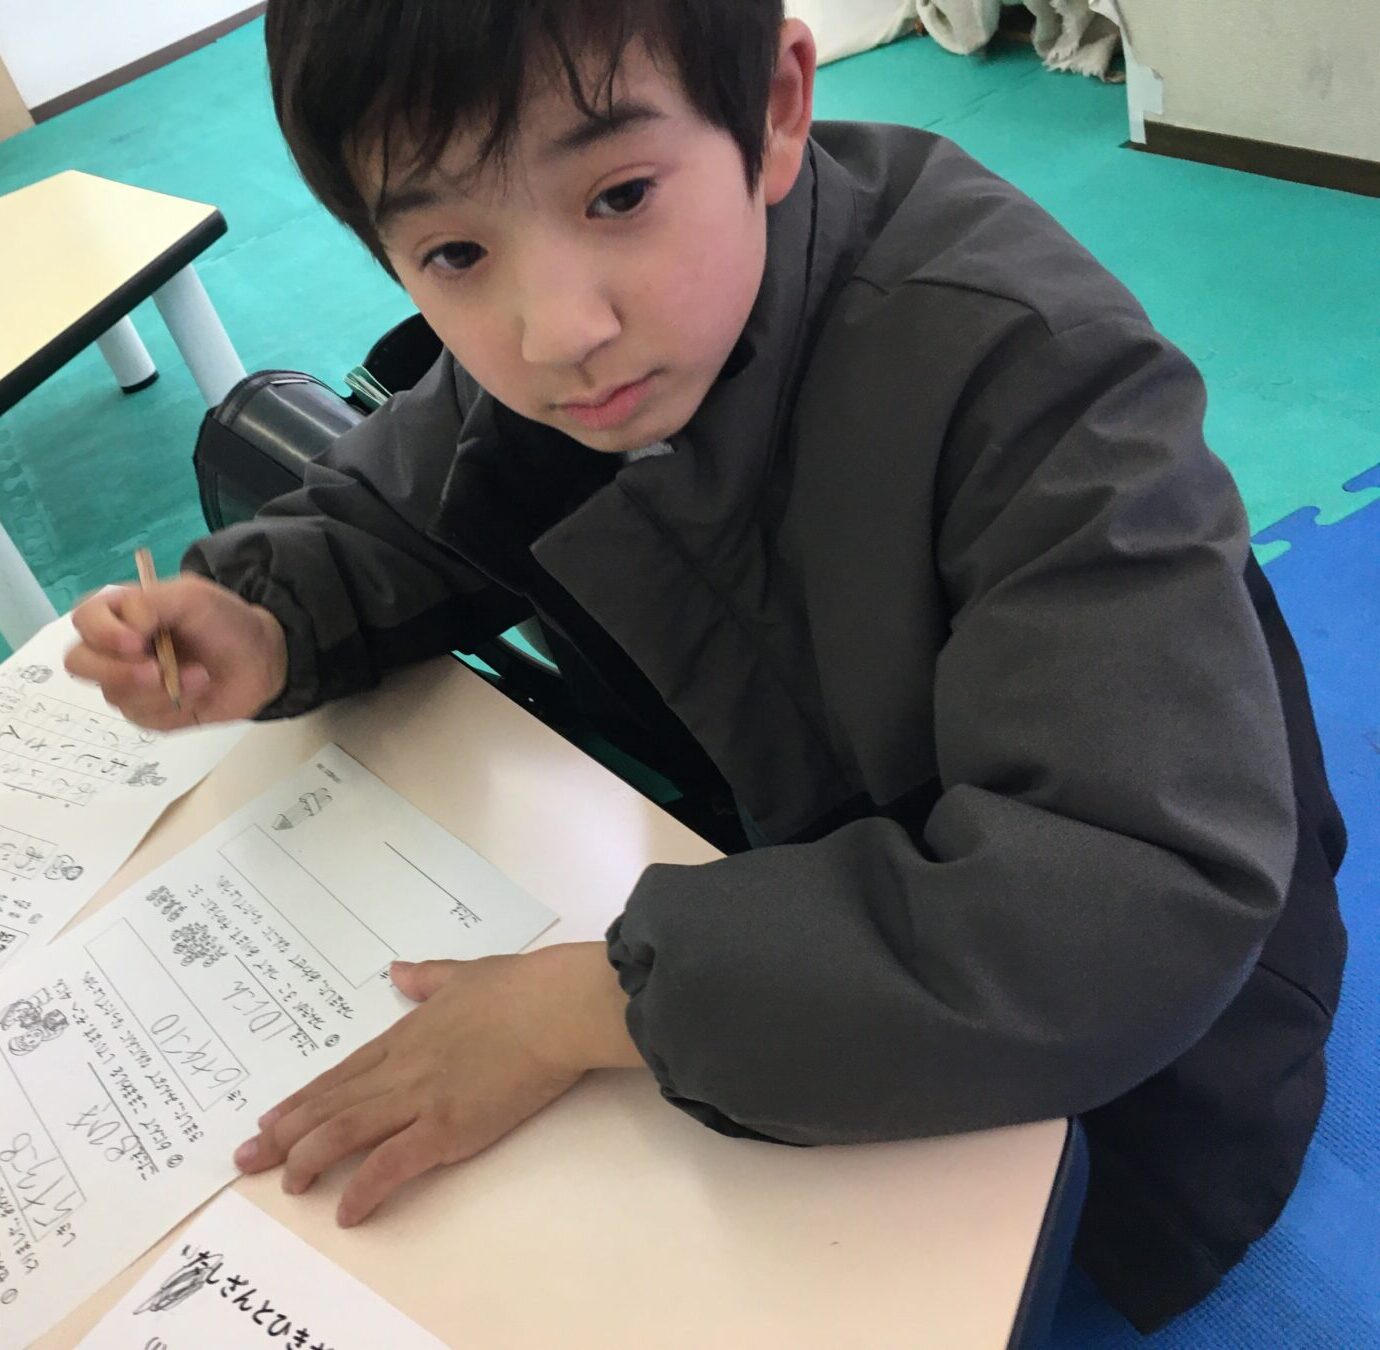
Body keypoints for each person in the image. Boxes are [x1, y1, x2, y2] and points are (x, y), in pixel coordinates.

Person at [65, 0, 1347, 1332]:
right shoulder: (588, 351)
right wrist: (266, 620)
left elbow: (1135, 896)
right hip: (798, 926)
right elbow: (398, 501)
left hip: (1150, 1078)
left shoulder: (1035, 369)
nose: (555, 327)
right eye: (454, 251)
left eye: (619, 195)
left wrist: (588, 1005)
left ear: (778, 110)